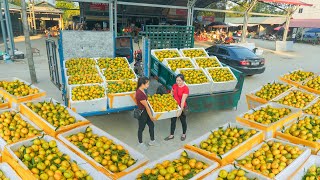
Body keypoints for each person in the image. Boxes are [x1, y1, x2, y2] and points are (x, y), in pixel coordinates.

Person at [135, 77, 158, 151]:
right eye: (147, 84)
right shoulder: (139, 94)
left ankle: (152, 141)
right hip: (142, 113)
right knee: (141, 128)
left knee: (151, 125)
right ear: (142, 84)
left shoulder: (142, 90)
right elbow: (147, 107)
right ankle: (140, 143)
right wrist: (151, 116)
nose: (148, 85)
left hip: (145, 111)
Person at [164, 74, 189, 141]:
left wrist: (180, 111)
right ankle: (171, 135)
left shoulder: (185, 88)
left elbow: (183, 101)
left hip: (182, 107)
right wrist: (167, 99)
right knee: (173, 121)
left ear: (183, 81)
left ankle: (184, 134)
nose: (178, 82)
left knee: (183, 121)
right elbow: (172, 93)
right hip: (174, 106)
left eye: (180, 81)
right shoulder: (175, 85)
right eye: (177, 80)